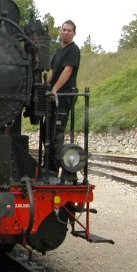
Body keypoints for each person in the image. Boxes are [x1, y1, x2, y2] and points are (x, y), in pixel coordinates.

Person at [46, 19, 81, 176]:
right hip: (54, 97)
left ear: (74, 33)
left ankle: (53, 169)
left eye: (69, 30)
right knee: (48, 131)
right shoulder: (59, 52)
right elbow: (53, 72)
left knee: (57, 133)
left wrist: (55, 89)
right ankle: (46, 164)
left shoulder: (73, 50)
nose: (65, 32)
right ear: (60, 31)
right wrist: (45, 86)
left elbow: (67, 71)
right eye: (64, 29)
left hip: (63, 97)